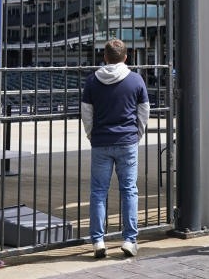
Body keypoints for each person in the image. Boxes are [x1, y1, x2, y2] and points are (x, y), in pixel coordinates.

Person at [81, 38, 150, 258]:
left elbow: (86, 114)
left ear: (105, 57)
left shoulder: (92, 81)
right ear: (126, 57)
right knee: (129, 190)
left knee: (98, 192)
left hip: (101, 142)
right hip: (127, 141)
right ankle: (129, 240)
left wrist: (92, 135)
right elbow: (144, 113)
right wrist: (136, 135)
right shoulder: (136, 80)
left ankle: (98, 241)